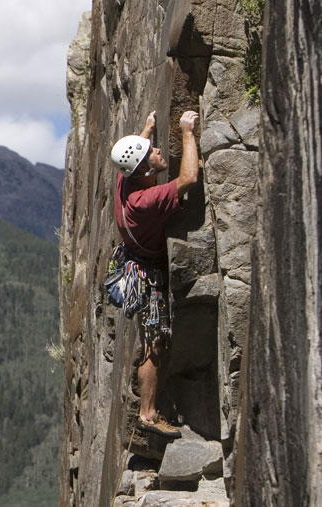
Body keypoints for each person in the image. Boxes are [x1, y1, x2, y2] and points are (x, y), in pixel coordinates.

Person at [110, 110, 199, 438]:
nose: (158, 150)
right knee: (154, 343)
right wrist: (187, 132)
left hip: (136, 263)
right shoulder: (146, 201)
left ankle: (148, 412)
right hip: (149, 275)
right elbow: (188, 179)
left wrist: (146, 128)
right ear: (146, 169)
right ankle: (147, 415)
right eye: (152, 153)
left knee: (151, 338)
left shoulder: (127, 179)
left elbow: (136, 152)